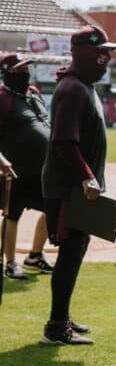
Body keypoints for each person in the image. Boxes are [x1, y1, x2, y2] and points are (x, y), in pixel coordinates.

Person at [39, 25, 116, 344]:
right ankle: (56, 328)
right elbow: (63, 142)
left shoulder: (83, 86)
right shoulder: (72, 89)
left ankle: (63, 316)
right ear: (85, 54)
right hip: (70, 188)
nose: (107, 59)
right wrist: (86, 176)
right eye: (101, 53)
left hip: (78, 188)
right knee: (70, 254)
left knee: (75, 253)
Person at [0, 54, 52, 280]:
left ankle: (34, 256)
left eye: (26, 69)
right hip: (15, 168)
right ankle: (10, 263)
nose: (24, 74)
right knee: (12, 215)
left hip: (44, 168)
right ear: (6, 73)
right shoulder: (2, 98)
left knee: (54, 208)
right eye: (18, 70)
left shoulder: (34, 94)